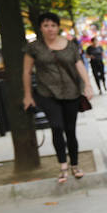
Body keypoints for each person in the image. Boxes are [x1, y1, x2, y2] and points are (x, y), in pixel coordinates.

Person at [22, 11, 94, 183]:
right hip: (47, 93)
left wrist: (88, 85)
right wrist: (27, 95)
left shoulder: (69, 45)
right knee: (56, 126)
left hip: (71, 93)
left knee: (70, 130)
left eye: (53, 25)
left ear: (58, 27)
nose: (50, 29)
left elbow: (79, 65)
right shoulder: (34, 48)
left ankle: (75, 164)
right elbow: (26, 71)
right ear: (40, 28)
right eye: (46, 25)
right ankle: (63, 165)